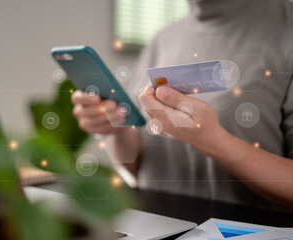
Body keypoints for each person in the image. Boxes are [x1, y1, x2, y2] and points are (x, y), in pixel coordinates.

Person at [71, 0, 293, 210]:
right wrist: (116, 130)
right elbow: (139, 169)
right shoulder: (162, 39)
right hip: (157, 227)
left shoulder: (285, 29)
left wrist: (216, 142)